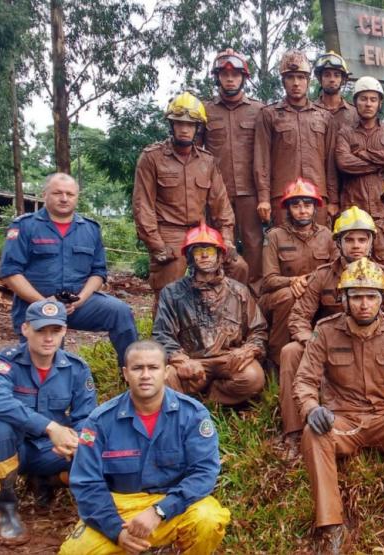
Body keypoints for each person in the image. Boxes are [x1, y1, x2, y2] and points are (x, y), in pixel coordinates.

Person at [293, 258, 384, 552]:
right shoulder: (325, 330)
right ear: (344, 299)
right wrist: (311, 409)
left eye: (371, 296)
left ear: (381, 300)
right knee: (313, 433)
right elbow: (304, 381)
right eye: (356, 296)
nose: (363, 304)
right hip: (342, 422)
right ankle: (331, 527)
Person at [59, 340, 230, 554]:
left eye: (153, 367)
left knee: (208, 519)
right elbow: (86, 483)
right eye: (137, 368)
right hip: (120, 507)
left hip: (173, 504)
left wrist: (159, 511)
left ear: (166, 372)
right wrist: (116, 531)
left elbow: (204, 473)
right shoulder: (100, 421)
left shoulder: (192, 415)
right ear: (125, 373)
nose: (145, 375)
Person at [278, 208, 384, 459]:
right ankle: (294, 433)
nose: (356, 245)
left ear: (371, 242)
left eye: (362, 239)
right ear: (338, 243)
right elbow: (298, 317)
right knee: (291, 351)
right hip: (330, 345)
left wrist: (379, 334)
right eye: (349, 239)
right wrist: (313, 342)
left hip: (372, 345)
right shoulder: (323, 275)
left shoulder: (383, 275)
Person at [0, 300, 97, 545]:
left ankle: (47, 482)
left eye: (55, 331)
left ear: (64, 331)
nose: (48, 338)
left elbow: (88, 419)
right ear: (25, 329)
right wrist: (51, 428)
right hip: (12, 449)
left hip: (50, 451)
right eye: (40, 330)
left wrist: (78, 443)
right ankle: (7, 509)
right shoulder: (7, 362)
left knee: (94, 446)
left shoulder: (76, 368)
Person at [0, 172, 137, 369]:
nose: (64, 198)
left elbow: (98, 272)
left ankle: (133, 372)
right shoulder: (25, 226)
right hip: (36, 304)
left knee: (121, 312)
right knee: (47, 358)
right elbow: (10, 273)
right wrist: (45, 304)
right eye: (57, 193)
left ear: (76, 197)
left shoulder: (90, 229)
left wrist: (81, 298)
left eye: (70, 194)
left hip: (78, 304)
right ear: (44, 194)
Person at [132, 92, 249, 306]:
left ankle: (225, 322)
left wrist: (227, 240)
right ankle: (164, 336)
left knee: (238, 266)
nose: (184, 129)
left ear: (198, 128)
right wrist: (157, 245)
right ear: (171, 125)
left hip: (200, 232)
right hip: (168, 231)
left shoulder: (207, 162)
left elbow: (221, 206)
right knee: (171, 279)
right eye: (179, 124)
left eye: (190, 124)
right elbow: (142, 206)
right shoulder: (152, 158)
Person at [152, 223, 267, 407]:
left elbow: (258, 330)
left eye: (210, 250)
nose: (205, 255)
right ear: (190, 256)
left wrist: (247, 350)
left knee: (253, 378)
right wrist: (181, 361)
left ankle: (209, 401)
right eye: (198, 250)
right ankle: (185, 405)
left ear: (220, 256)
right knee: (166, 379)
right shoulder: (172, 293)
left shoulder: (239, 291)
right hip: (191, 360)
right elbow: (162, 334)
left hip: (228, 359)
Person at [257, 178, 337, 366]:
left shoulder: (327, 235)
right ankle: (276, 362)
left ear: (315, 207)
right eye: (296, 205)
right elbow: (268, 280)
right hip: (278, 298)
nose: (302, 210)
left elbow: (335, 271)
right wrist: (293, 281)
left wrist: (310, 282)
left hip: (315, 294)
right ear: (288, 209)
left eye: (307, 204)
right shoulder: (274, 236)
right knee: (289, 296)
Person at [202, 48, 265, 284]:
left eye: (236, 74)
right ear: (217, 77)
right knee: (217, 246)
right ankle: (217, 297)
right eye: (225, 74)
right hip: (217, 194)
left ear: (244, 78)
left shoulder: (258, 110)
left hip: (250, 192)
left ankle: (255, 303)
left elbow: (266, 154)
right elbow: (198, 155)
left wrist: (264, 195)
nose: (230, 79)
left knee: (254, 246)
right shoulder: (205, 111)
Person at [254, 49, 338, 226]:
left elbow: (331, 162)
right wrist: (264, 198)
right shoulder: (269, 114)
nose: (296, 83)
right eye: (290, 77)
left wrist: (334, 200)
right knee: (284, 247)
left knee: (319, 247)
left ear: (308, 81)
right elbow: (262, 160)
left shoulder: (324, 116)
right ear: (283, 81)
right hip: (282, 197)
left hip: (318, 196)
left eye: (301, 78)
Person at [334, 76, 384, 218]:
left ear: (380, 103)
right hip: (353, 206)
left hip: (383, 207)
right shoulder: (345, 132)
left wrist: (363, 154)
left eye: (373, 99)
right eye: (363, 99)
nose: (368, 104)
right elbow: (344, 162)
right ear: (355, 102)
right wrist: (382, 165)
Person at [312, 51, 359, 131]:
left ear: (343, 79)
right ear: (320, 79)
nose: (332, 79)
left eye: (336, 75)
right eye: (327, 75)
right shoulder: (310, 111)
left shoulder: (355, 114)